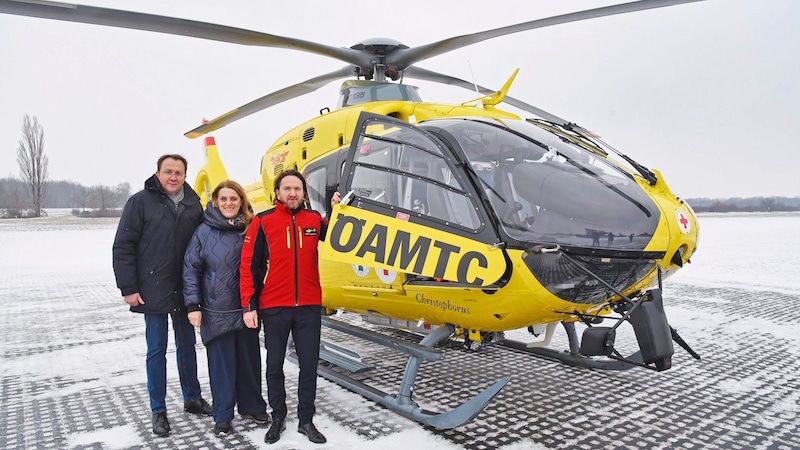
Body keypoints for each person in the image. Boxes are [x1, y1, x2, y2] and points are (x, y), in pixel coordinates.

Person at [112, 154, 211, 437]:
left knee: (187, 345)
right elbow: (123, 246)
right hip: (151, 289)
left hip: (185, 289)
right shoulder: (140, 202)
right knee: (156, 350)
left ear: (185, 175)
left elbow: (204, 241)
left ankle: (192, 398)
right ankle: (158, 410)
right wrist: (128, 287)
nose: (173, 177)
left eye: (178, 173)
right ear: (157, 174)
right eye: (168, 172)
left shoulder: (193, 204)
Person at [240, 169, 338, 445]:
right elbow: (249, 266)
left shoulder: (314, 220)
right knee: (274, 366)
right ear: (278, 193)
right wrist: (249, 305)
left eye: (297, 188)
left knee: (309, 366)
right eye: (287, 188)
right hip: (274, 307)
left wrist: (338, 210)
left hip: (308, 306)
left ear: (303, 193)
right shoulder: (263, 221)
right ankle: (278, 417)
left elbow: (341, 235)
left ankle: (306, 420)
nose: (293, 193)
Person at [183, 180, 270, 436]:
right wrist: (193, 305)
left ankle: (252, 406)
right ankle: (222, 415)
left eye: (234, 199)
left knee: (249, 361)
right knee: (221, 367)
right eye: (224, 199)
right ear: (215, 202)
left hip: (246, 308)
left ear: (242, 201)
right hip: (215, 311)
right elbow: (190, 268)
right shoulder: (203, 232)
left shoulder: (252, 229)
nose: (229, 203)